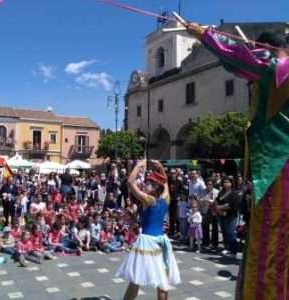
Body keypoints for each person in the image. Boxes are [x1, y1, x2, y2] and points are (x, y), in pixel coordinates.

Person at [186, 23, 288, 299]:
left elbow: (236, 57)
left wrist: (203, 34)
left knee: (269, 239)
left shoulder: (276, 69)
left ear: (267, 50)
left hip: (277, 167)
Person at [116, 160, 180, 300]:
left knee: (136, 281)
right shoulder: (166, 199)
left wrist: (138, 165)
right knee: (162, 280)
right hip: (162, 240)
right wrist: (161, 168)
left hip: (147, 242)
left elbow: (131, 183)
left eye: (149, 183)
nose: (145, 185)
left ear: (155, 187)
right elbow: (166, 184)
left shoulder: (149, 200)